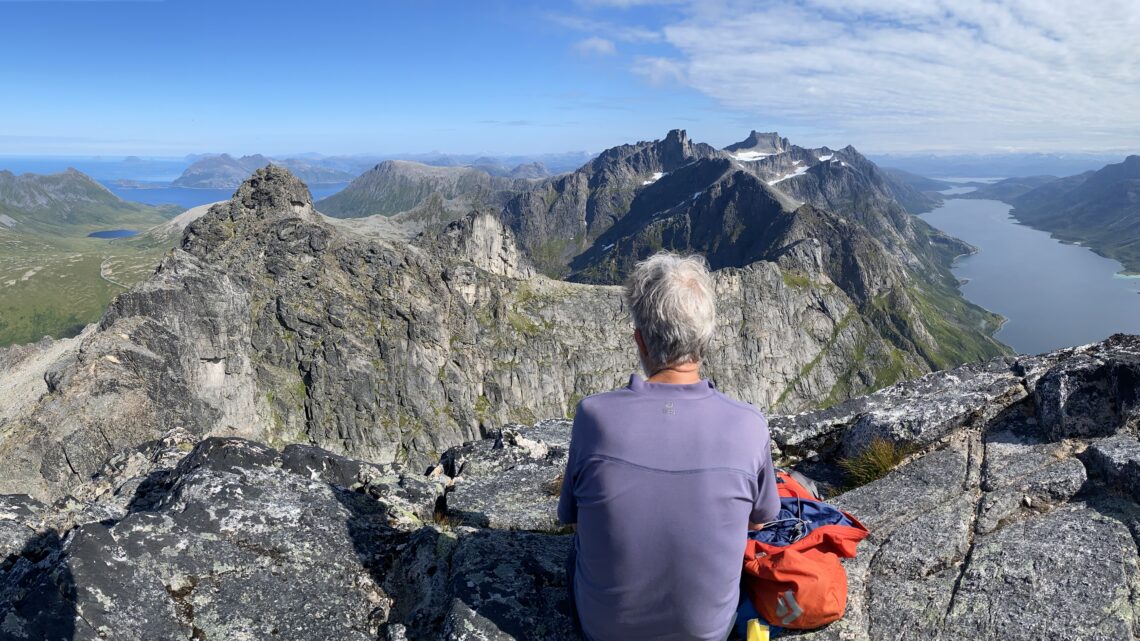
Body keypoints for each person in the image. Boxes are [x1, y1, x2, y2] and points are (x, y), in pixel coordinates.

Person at [558, 251, 782, 641]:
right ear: (704, 339)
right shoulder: (749, 425)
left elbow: (572, 517)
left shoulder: (593, 417)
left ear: (640, 340)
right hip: (707, 633)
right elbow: (759, 520)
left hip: (604, 632)